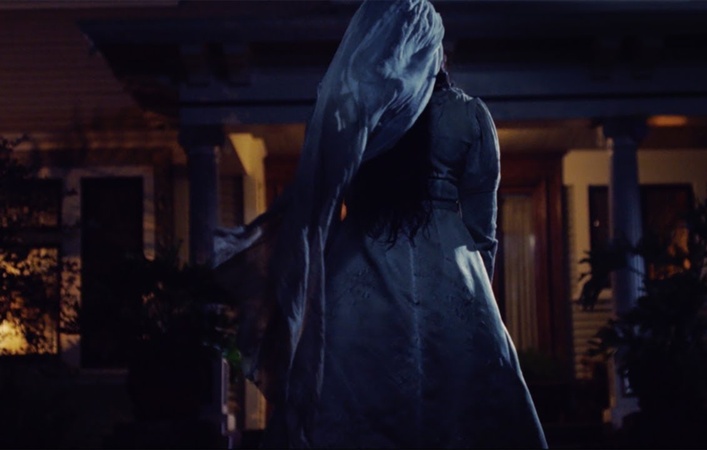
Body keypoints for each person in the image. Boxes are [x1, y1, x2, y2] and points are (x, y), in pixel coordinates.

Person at [215, 0, 547, 447]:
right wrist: (469, 298)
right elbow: (482, 228)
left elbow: (323, 192)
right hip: (452, 269)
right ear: (433, 49)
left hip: (357, 265)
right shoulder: (469, 115)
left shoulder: (353, 112)